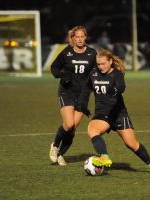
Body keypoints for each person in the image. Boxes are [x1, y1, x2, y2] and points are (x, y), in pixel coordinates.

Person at [80, 49, 150, 174]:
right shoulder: (93, 73)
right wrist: (83, 105)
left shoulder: (116, 74)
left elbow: (121, 86)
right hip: (102, 113)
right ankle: (104, 157)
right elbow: (86, 89)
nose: (100, 67)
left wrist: (115, 90)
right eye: (98, 64)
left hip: (118, 113)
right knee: (92, 130)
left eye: (103, 64)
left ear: (111, 61)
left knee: (131, 144)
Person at [49, 26, 97, 166]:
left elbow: (96, 72)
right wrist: (63, 75)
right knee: (68, 124)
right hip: (67, 91)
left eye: (82, 36)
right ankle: (55, 146)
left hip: (83, 95)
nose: (80, 39)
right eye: (77, 37)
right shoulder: (66, 53)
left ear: (85, 37)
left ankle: (61, 155)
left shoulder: (92, 53)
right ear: (73, 38)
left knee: (73, 128)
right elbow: (54, 68)